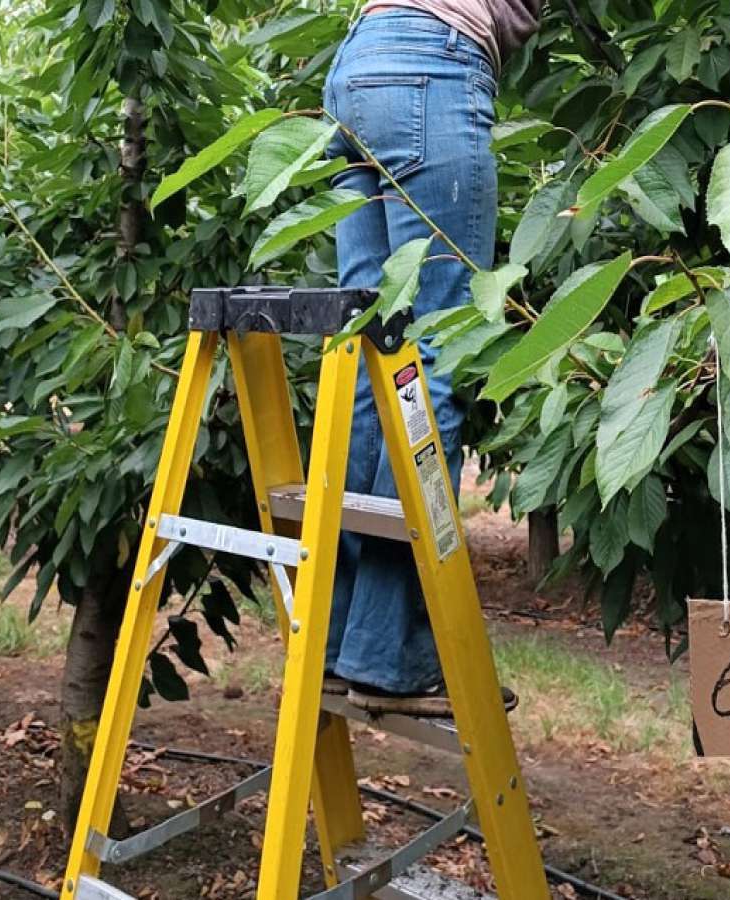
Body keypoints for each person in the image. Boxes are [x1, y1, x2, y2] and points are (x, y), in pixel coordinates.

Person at [321, 0, 543, 717]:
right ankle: (389, 652)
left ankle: (336, 644)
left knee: (374, 361)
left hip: (359, 68)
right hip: (431, 69)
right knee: (439, 362)